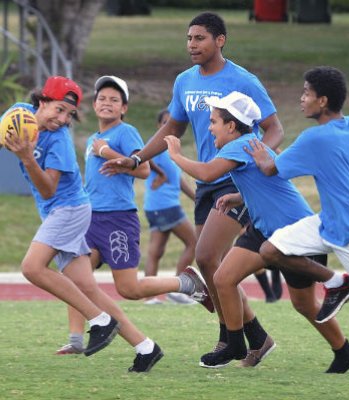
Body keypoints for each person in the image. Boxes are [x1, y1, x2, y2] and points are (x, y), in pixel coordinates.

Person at [102, 11, 284, 367]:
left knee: (204, 257)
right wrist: (135, 157)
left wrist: (260, 161)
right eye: (188, 39)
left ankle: (229, 340)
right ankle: (257, 338)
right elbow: (173, 127)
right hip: (205, 181)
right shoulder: (184, 81)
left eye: (199, 38)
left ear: (220, 40)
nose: (191, 45)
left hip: (236, 179)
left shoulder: (243, 80)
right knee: (211, 265)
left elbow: (274, 128)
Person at [164, 90, 349, 372]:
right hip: (262, 229)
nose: (209, 128)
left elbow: (206, 174)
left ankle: (344, 350)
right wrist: (239, 197)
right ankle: (234, 342)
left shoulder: (240, 145)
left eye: (214, 121)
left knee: (304, 304)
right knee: (223, 278)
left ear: (231, 126)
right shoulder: (249, 145)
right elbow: (267, 184)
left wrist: (175, 155)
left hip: (294, 234)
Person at [55, 76, 213, 367]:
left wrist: (108, 152)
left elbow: (143, 172)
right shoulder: (92, 139)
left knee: (129, 289)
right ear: (94, 104)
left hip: (118, 220)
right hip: (90, 219)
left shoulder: (126, 133)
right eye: (102, 98)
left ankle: (184, 282)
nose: (107, 103)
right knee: (75, 277)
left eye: (114, 100)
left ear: (124, 108)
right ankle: (77, 339)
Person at [246, 66, 349, 324]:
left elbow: (271, 169)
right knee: (270, 250)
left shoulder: (314, 139)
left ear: (323, 101)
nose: (301, 99)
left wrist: (262, 155)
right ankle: (337, 282)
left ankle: (342, 285)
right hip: (327, 223)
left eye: (306, 93)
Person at [1, 76, 121, 359]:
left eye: (69, 114)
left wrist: (27, 158)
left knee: (32, 267)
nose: (63, 118)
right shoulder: (18, 114)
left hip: (70, 209)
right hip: (56, 212)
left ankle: (101, 320)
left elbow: (47, 189)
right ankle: (145, 346)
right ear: (42, 101)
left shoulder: (59, 141)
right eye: (59, 109)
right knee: (86, 285)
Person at [143, 109, 197, 305]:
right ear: (159, 126)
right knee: (195, 242)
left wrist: (195, 197)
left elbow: (178, 180)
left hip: (157, 206)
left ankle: (150, 297)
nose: (169, 126)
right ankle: (178, 290)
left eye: (172, 122)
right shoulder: (157, 145)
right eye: (165, 122)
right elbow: (143, 156)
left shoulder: (171, 148)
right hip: (164, 205)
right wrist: (160, 174)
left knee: (156, 251)